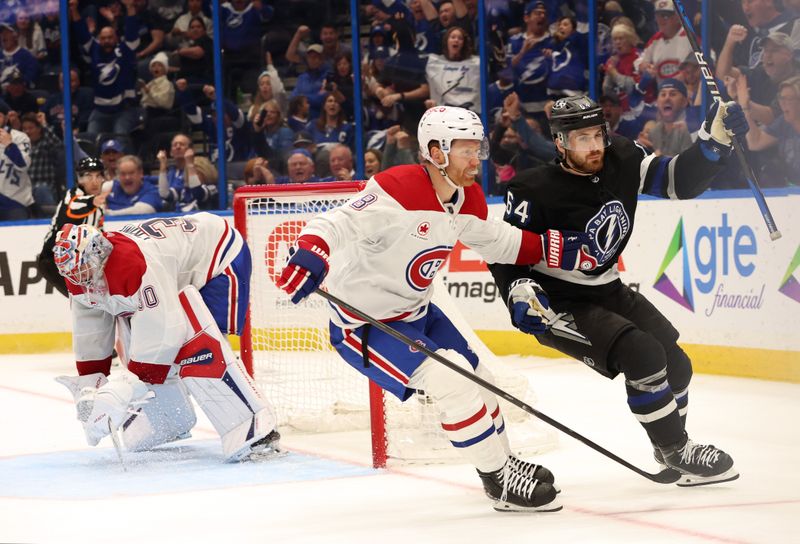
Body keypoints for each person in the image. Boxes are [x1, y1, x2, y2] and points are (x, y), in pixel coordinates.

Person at [276, 106, 602, 512]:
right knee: (452, 380)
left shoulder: (465, 198)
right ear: (436, 151)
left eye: (477, 149)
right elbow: (337, 223)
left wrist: (555, 249)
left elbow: (497, 240)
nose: (476, 159)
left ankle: (504, 461)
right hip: (364, 324)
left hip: (417, 312)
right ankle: (497, 480)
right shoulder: (397, 188)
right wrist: (310, 250)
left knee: (482, 378)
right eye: (466, 150)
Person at [488, 95, 750, 487]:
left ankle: (667, 448)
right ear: (559, 142)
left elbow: (678, 181)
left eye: (598, 134)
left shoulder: (622, 157)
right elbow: (503, 252)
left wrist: (714, 145)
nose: (594, 146)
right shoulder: (531, 188)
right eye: (581, 139)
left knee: (677, 364)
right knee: (641, 354)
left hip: (606, 287)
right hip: (554, 302)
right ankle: (678, 450)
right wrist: (517, 289)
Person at [52, 212, 280, 461]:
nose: (79, 278)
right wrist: (90, 385)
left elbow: (166, 330)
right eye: (73, 274)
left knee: (195, 343)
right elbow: (91, 325)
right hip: (173, 269)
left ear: (99, 252)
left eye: (84, 269)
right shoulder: (77, 271)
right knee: (138, 334)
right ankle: (169, 421)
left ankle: (254, 427)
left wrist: (123, 389)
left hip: (218, 256)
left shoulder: (131, 263)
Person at [37, 156, 106, 297]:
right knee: (83, 301)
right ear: (79, 179)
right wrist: (93, 201)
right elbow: (74, 208)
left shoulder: (98, 208)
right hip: (52, 261)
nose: (94, 181)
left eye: (98, 176)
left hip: (79, 264)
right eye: (88, 176)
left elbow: (100, 233)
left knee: (93, 301)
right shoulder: (72, 196)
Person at [0, 100, 32, 221]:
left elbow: (24, 165)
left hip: (15, 201)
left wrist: (9, 145)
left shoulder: (19, 137)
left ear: (7, 117)